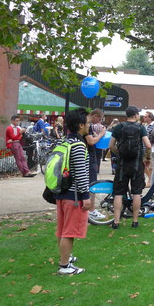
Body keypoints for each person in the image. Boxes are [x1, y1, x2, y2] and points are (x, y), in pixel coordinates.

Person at [55, 107, 91, 275]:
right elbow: (82, 173)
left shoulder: (63, 142)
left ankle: (65, 258)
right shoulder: (78, 145)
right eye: (88, 123)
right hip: (74, 196)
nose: (89, 126)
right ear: (80, 125)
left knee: (63, 229)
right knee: (69, 232)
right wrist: (86, 196)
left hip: (62, 193)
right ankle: (64, 266)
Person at [108, 106, 151, 229]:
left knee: (118, 193)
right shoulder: (140, 127)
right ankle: (135, 221)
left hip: (122, 165)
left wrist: (119, 153)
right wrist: (147, 158)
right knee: (136, 193)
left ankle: (116, 221)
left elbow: (111, 145)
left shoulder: (118, 127)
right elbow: (148, 145)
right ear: (136, 115)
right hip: (137, 164)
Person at [84, 109, 107, 220]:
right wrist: (102, 134)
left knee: (87, 183)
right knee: (92, 183)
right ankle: (91, 210)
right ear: (94, 116)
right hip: (89, 157)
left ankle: (88, 209)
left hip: (88, 156)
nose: (99, 121)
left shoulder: (87, 126)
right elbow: (91, 142)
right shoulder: (87, 126)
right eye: (99, 118)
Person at [142, 111, 154, 187]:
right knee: (143, 165)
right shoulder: (143, 126)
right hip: (143, 148)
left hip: (151, 148)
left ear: (150, 118)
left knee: (150, 165)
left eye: (145, 116)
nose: (143, 118)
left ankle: (149, 181)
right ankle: (149, 178)